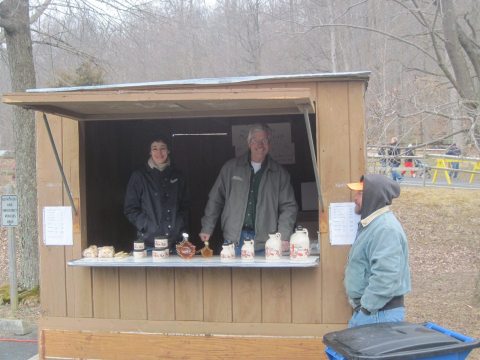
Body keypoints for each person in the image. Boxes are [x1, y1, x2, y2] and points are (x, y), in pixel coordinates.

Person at [199, 124, 298, 255]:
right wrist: (207, 227)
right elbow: (215, 199)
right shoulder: (231, 168)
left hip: (266, 242)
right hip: (234, 240)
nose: (260, 145)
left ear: (269, 144)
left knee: (266, 276)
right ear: (249, 143)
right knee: (234, 276)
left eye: (264, 141)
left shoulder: (280, 174)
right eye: (255, 141)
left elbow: (289, 207)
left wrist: (284, 236)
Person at [344, 174, 411, 328]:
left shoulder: (385, 229)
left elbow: (386, 276)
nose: (354, 198)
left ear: (373, 196)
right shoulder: (373, 225)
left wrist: (366, 309)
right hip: (373, 313)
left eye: (360, 193)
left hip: (379, 314)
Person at [124, 137, 190, 252]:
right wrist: (146, 225)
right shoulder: (139, 176)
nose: (159, 153)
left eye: (162, 148)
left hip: (176, 243)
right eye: (154, 148)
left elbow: (186, 206)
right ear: (149, 151)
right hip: (148, 244)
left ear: (168, 150)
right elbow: (130, 208)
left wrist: (179, 224)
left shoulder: (178, 175)